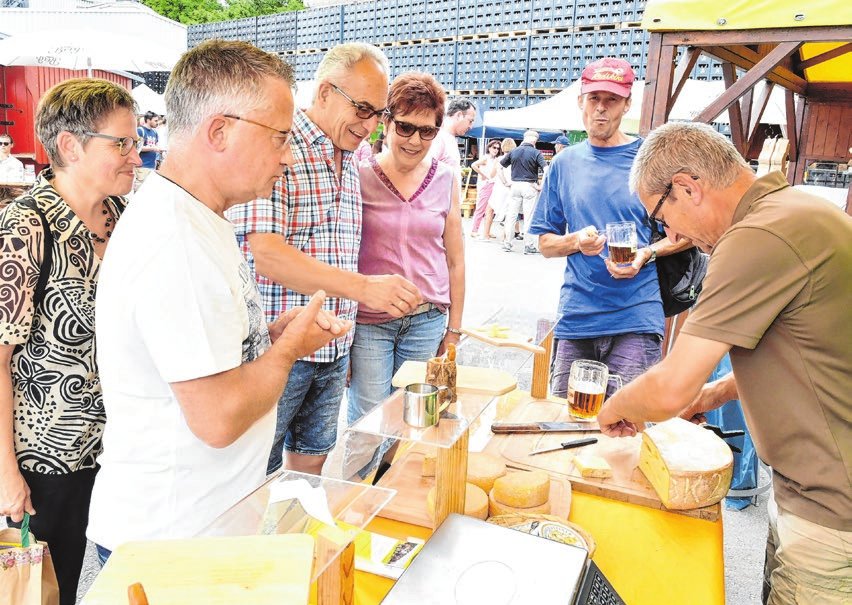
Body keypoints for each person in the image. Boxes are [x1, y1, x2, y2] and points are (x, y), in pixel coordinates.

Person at [87, 40, 350, 561]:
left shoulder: (192, 217)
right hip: (172, 545)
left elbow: (199, 360)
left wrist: (269, 337)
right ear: (220, 131)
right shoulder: (176, 241)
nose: (289, 152)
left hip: (188, 530)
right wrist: (288, 349)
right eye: (280, 135)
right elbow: (220, 417)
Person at [596, 121, 852, 605]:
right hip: (816, 491)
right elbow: (807, 355)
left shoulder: (757, 235)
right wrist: (714, 393)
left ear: (687, 187)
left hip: (831, 506)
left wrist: (612, 409)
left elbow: (671, 385)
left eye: (660, 218)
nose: (669, 234)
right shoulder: (798, 211)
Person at [226, 43, 422, 478]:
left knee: (311, 464)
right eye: (363, 109)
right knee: (256, 472)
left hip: (333, 345)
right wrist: (366, 288)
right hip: (278, 347)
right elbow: (267, 254)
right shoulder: (280, 143)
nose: (371, 126)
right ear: (324, 92)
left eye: (379, 114)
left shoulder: (351, 155)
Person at [0, 78, 141, 605]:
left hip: (116, 450)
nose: (136, 153)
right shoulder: (26, 224)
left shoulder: (122, 219)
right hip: (44, 460)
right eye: (121, 143)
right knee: (40, 593)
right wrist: (5, 472)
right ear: (70, 146)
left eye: (135, 140)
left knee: (100, 578)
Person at [529, 57, 686, 399]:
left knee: (625, 425)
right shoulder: (564, 164)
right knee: (567, 419)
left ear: (627, 104)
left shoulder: (651, 159)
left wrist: (647, 252)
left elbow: (691, 233)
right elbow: (544, 243)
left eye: (611, 100)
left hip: (636, 314)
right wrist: (576, 241)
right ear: (580, 102)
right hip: (578, 314)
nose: (601, 109)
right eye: (594, 98)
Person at [344, 71, 465, 477]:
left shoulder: (446, 179)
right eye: (406, 127)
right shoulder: (358, 176)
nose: (414, 140)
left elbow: (455, 259)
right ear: (387, 120)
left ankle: (395, 500)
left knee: (415, 419)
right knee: (369, 419)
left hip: (427, 320)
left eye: (427, 131)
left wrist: (454, 331)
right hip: (370, 321)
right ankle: (355, 503)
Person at [500, 129, 547, 254]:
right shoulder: (536, 152)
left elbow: (499, 166)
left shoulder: (514, 151)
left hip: (515, 185)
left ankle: (507, 243)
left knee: (511, 215)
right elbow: (546, 169)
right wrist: (541, 185)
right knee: (529, 216)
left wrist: (505, 182)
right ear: (534, 141)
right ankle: (528, 245)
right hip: (530, 185)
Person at [430, 97, 476, 188]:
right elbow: (425, 173)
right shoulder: (439, 139)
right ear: (459, 115)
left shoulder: (450, 138)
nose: (471, 126)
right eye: (470, 121)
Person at [469, 138, 502, 239]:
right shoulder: (486, 158)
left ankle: (487, 231)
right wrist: (483, 174)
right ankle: (474, 230)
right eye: (494, 147)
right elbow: (473, 165)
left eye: (497, 148)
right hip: (486, 184)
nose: (496, 150)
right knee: (481, 207)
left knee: (490, 209)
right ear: (489, 147)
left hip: (493, 184)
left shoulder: (495, 159)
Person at [133, 110, 159, 191]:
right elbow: (137, 147)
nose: (157, 122)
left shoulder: (154, 132)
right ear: (148, 120)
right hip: (142, 164)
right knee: (140, 188)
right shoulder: (140, 130)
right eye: (155, 120)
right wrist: (152, 148)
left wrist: (156, 157)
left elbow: (156, 145)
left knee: (149, 189)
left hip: (151, 164)